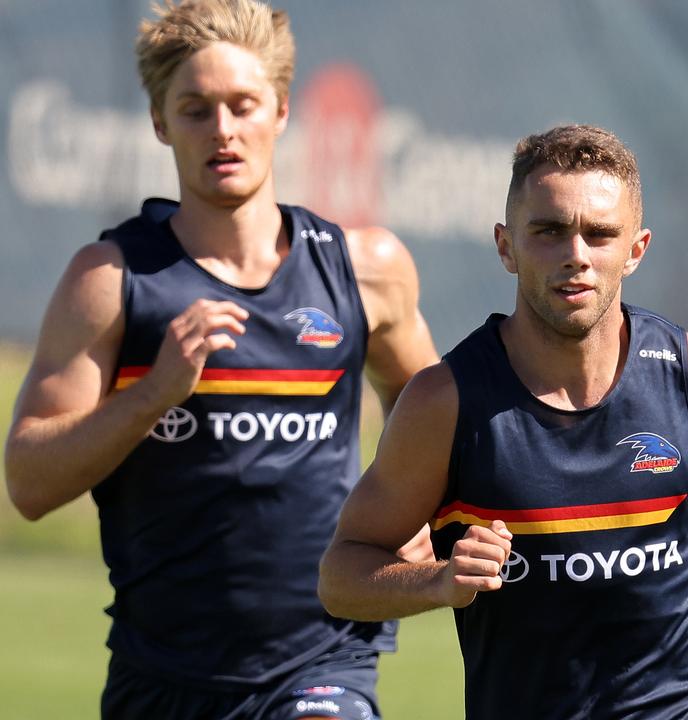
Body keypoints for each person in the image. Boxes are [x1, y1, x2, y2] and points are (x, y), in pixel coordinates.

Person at [317, 124, 688, 718]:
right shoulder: (447, 403)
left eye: (600, 234)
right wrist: (437, 582)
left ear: (636, 249)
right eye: (548, 231)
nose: (576, 255)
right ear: (505, 246)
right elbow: (342, 578)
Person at [3, 1, 438, 718]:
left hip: (324, 662)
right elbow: (28, 482)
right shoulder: (111, 281)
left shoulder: (365, 270)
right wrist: (153, 394)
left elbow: (433, 409)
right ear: (158, 121)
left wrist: (418, 503)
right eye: (196, 109)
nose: (224, 130)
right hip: (162, 677)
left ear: (281, 110)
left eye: (243, 105)